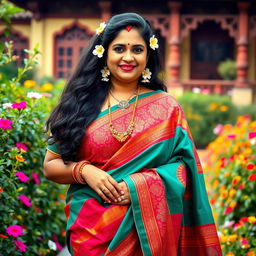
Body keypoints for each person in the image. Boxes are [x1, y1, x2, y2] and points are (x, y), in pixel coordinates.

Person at [43, 13, 221, 256]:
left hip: (146, 234)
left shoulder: (167, 107)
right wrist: (85, 172)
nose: (128, 57)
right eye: (119, 48)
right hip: (90, 232)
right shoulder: (80, 105)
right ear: (104, 53)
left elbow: (184, 169)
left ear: (148, 55)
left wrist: (139, 187)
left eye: (137, 49)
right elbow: (50, 166)